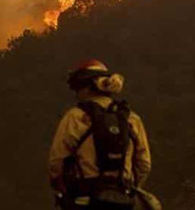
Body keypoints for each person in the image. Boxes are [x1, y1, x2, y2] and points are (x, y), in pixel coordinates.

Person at [49, 59, 152, 209]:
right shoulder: (131, 119)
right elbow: (144, 165)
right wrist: (127, 188)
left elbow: (56, 163)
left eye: (78, 88)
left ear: (86, 88)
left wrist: (63, 191)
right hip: (123, 201)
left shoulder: (75, 117)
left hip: (84, 200)